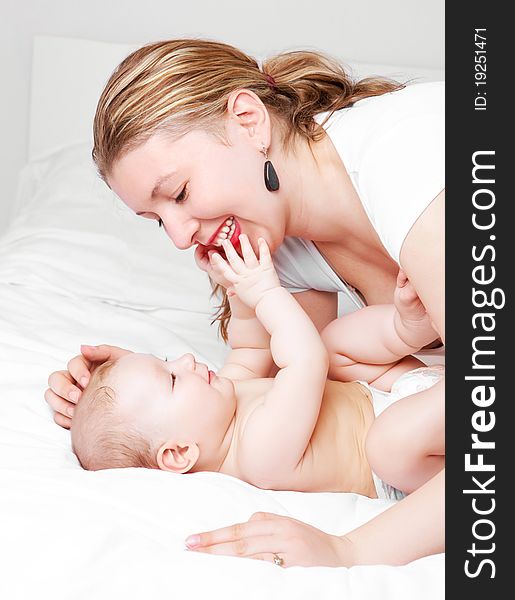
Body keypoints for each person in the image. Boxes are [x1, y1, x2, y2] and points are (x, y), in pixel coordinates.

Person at [44, 39, 445, 567]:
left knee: (389, 440)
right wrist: (114, 396)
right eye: (158, 219)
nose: (181, 238)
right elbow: (269, 375)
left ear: (250, 121)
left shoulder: (406, 162)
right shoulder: (287, 248)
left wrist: (349, 550)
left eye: (181, 194)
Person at [71, 236, 443, 510]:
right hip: (413, 465)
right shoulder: (258, 456)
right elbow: (304, 361)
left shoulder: (226, 398)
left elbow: (251, 347)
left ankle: (409, 327)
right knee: (387, 445)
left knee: (334, 345)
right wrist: (265, 293)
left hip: (403, 394)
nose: (184, 360)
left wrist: (234, 285)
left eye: (168, 360)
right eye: (171, 378)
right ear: (179, 452)